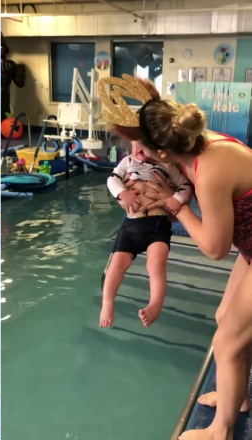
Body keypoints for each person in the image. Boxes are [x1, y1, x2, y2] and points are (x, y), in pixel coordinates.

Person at [98, 74, 252, 440]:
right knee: (224, 319)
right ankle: (238, 398)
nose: (136, 155)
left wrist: (175, 205)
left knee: (227, 341)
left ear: (163, 152)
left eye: (140, 147)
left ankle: (221, 432)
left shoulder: (210, 169)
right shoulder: (198, 145)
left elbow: (215, 249)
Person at [99, 141, 193, 328]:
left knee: (156, 264)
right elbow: (112, 179)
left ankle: (155, 305)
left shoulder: (167, 166)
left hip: (158, 224)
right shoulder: (127, 161)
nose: (138, 149)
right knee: (117, 263)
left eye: (144, 145)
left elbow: (186, 186)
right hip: (131, 223)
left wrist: (177, 198)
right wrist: (123, 193)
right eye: (135, 145)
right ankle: (107, 303)